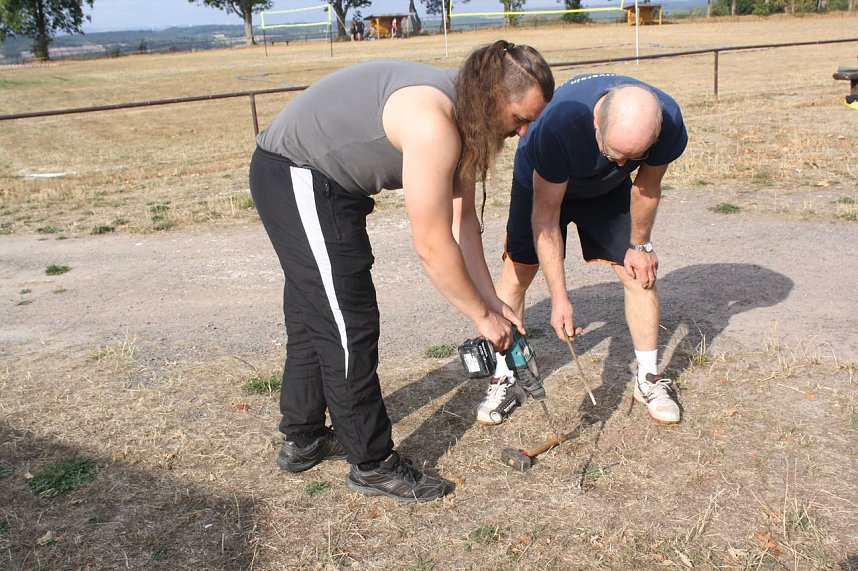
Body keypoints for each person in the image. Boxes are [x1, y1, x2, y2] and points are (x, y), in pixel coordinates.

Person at [250, 41, 554, 502]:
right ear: (493, 97)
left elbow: (462, 222)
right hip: (297, 173)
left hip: (327, 183)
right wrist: (480, 318)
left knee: (318, 313)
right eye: (520, 119)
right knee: (347, 321)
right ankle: (371, 464)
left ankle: (304, 438)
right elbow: (432, 245)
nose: (524, 132)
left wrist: (493, 301)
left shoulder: (467, 117)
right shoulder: (435, 124)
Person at [484, 73, 688, 426]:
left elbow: (646, 186)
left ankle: (649, 378)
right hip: (542, 182)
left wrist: (641, 245)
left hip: (607, 189)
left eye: (632, 157)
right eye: (616, 153)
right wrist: (560, 297)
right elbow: (546, 221)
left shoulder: (666, 119)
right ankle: (505, 375)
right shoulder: (558, 126)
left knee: (639, 273)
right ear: (597, 122)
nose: (624, 163)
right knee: (517, 273)